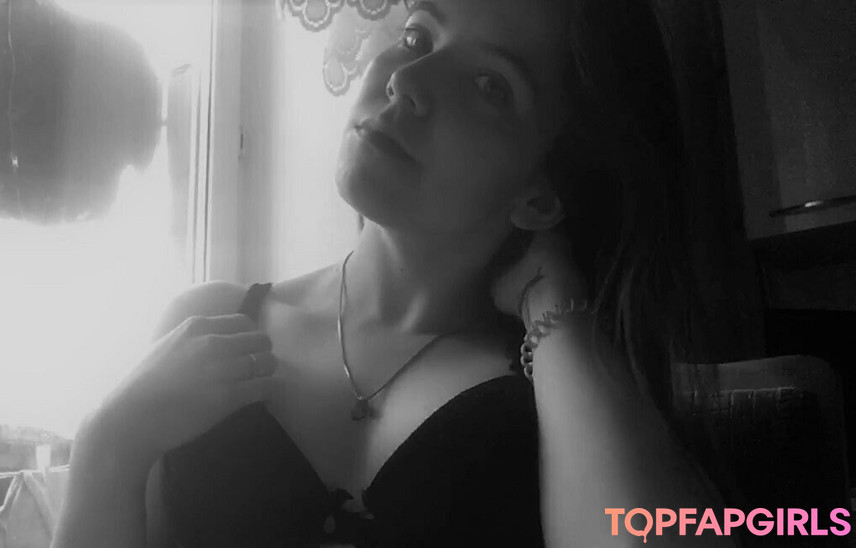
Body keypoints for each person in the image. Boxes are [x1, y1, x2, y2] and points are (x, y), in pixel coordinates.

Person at [52, 0, 735, 546]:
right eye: (417, 36)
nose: (407, 81)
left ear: (540, 195)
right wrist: (109, 443)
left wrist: (558, 311)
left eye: (490, 85)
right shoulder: (207, 323)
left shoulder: (559, 393)